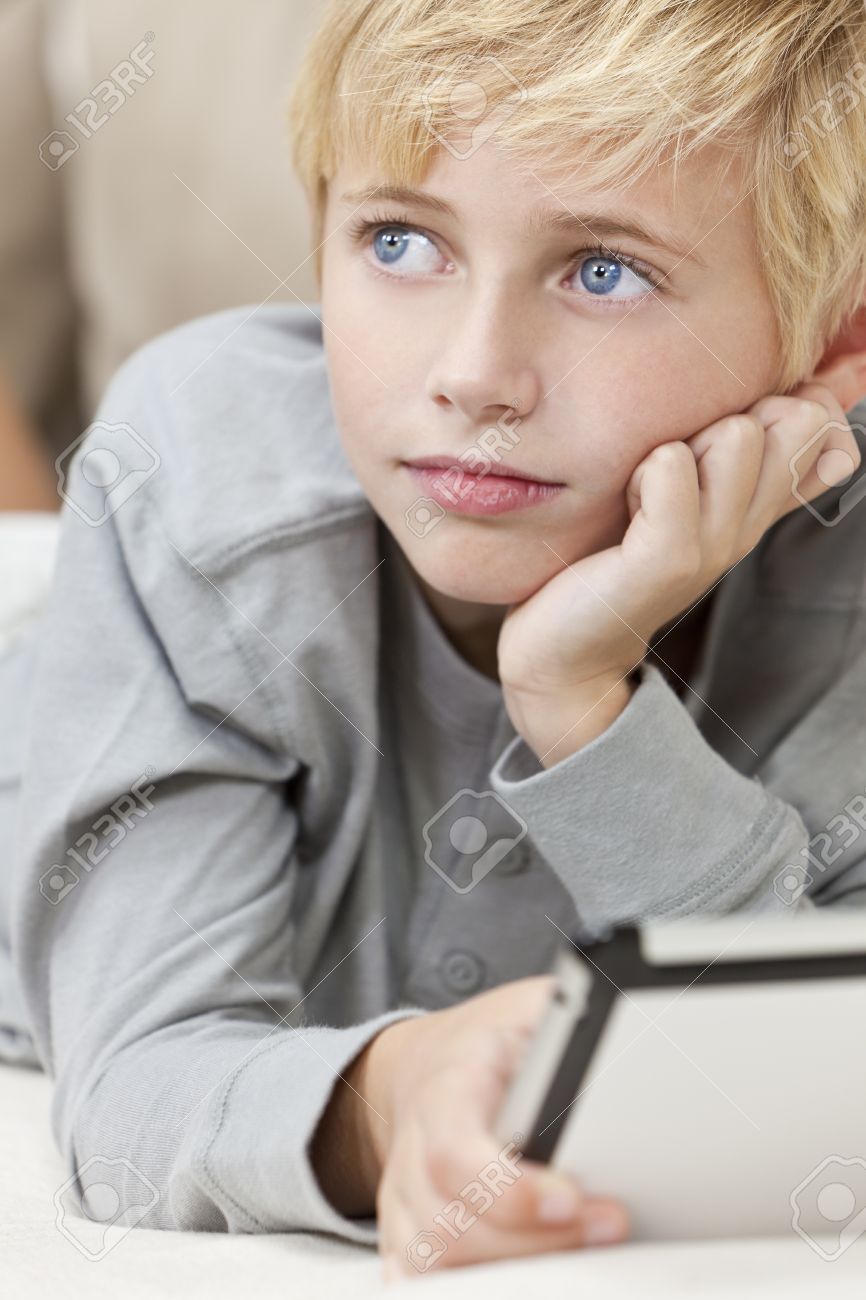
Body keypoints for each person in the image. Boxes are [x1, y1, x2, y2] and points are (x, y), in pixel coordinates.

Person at [3, 0, 866, 1283]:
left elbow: (808, 1079)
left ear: (833, 339)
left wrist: (582, 698)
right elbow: (135, 1081)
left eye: (602, 270)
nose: (473, 374)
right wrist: (393, 1092)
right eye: (399, 240)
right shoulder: (198, 486)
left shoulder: (836, 588)